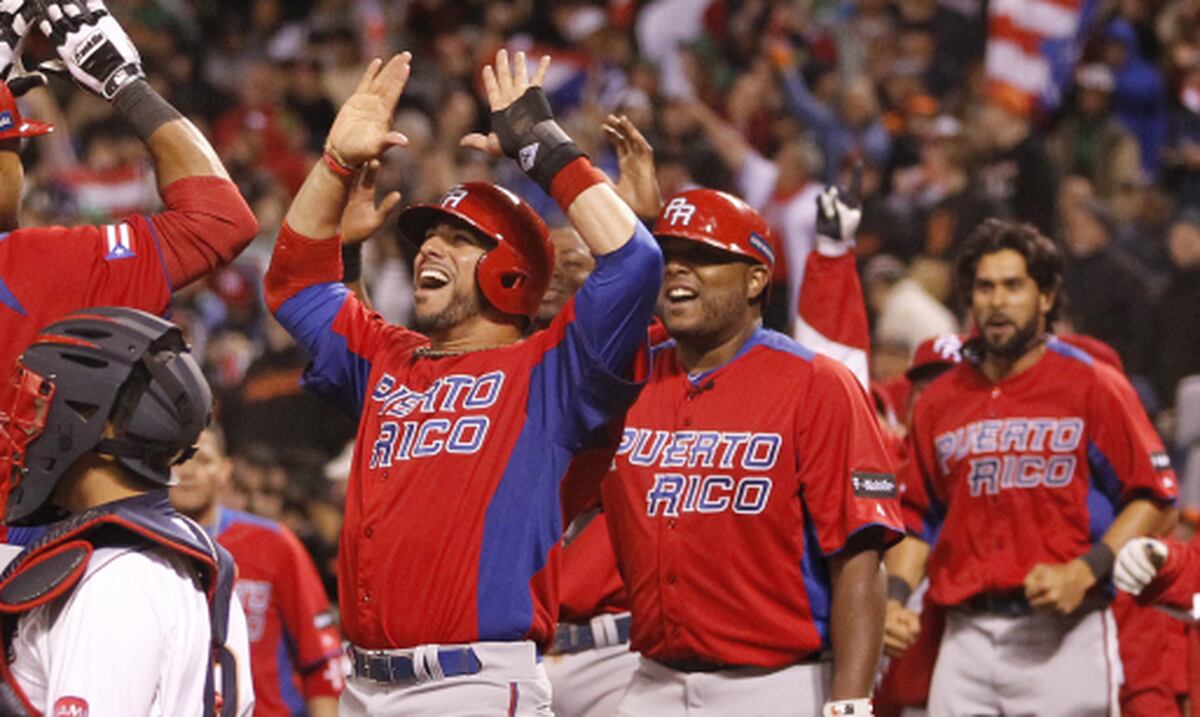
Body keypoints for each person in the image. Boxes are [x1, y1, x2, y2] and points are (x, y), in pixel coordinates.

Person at [262, 48, 662, 715]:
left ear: (510, 272)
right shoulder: (388, 356)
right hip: (361, 684)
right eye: (427, 236)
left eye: (459, 237)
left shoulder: (553, 372)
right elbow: (294, 284)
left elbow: (633, 260)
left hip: (471, 683)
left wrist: (539, 142)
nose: (428, 248)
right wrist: (333, 164)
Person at [601, 187, 904, 717]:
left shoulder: (816, 383)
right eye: (670, 258)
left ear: (756, 279)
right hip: (652, 680)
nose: (678, 271)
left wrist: (851, 704)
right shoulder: (628, 375)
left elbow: (859, 556)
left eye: (704, 257)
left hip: (777, 685)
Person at [886, 218, 1178, 716]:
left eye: (1013, 286)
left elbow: (1153, 496)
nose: (997, 301)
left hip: (1064, 636)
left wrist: (1086, 572)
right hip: (965, 636)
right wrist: (894, 597)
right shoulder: (940, 400)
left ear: (1045, 297)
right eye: (984, 287)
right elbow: (917, 514)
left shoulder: (1091, 385)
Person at [0, 1, 258, 539]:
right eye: (16, 150)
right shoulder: (45, 264)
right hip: (33, 552)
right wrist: (124, 83)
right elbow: (221, 219)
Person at [0, 306, 253, 716]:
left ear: (104, 428)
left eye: (45, 405)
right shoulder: (191, 547)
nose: (28, 428)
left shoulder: (112, 578)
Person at [171, 426, 345, 717]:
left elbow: (322, 660)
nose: (189, 472)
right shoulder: (139, 552)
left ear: (225, 470)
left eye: (203, 460)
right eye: (178, 460)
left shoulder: (273, 543)